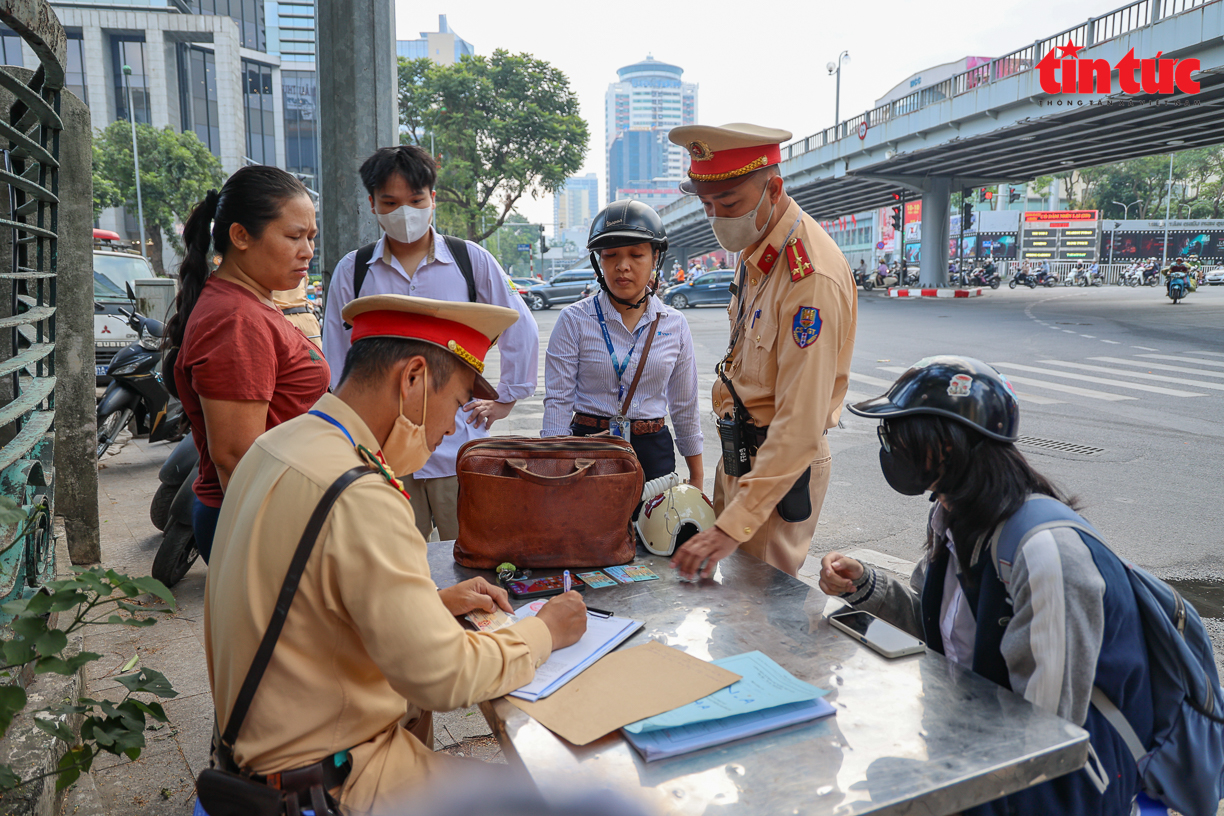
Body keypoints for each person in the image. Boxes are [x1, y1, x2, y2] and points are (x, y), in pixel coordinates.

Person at [205, 294, 588, 814]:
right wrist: (548, 629)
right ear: (411, 379)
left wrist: (428, 603)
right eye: (454, 404)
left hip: (252, 761)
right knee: (572, 801)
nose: (453, 428)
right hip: (332, 785)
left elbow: (306, 593)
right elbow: (444, 676)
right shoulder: (360, 491)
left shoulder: (280, 446)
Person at [820, 356, 1154, 815]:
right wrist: (865, 587)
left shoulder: (1045, 555)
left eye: (900, 434)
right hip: (982, 748)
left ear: (948, 446)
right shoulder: (953, 519)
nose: (891, 446)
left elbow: (1044, 735)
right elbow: (951, 637)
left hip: (1058, 787)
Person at [665, 123, 857, 579]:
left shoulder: (809, 277)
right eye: (706, 204)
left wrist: (731, 526)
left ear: (774, 188)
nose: (716, 218)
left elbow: (800, 422)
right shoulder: (757, 250)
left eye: (728, 203)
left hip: (778, 470)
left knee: (761, 618)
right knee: (728, 613)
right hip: (741, 455)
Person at [322, 145, 538, 542]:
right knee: (398, 563)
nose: (405, 212)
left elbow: (519, 325)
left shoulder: (470, 261)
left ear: (432, 199)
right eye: (390, 201)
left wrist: (507, 398)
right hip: (385, 457)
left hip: (457, 449)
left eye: (416, 200)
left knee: (470, 557)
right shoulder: (352, 271)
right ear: (372, 204)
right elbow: (337, 356)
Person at [167, 166, 330, 563]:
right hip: (262, 519)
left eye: (310, 237)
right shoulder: (236, 319)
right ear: (240, 236)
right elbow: (236, 457)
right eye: (293, 236)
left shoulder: (251, 302)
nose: (307, 251)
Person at [542, 199, 703, 487]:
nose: (622, 266)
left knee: (655, 532)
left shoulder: (674, 324)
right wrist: (554, 470)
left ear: (655, 259)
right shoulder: (573, 321)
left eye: (636, 255)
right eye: (611, 255)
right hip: (587, 451)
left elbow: (684, 406)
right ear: (599, 260)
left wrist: (698, 476)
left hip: (654, 454)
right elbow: (558, 402)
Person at [273, 277, 322, 350]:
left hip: (277, 319)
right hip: (306, 319)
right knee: (315, 360)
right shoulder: (300, 267)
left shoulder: (263, 268)